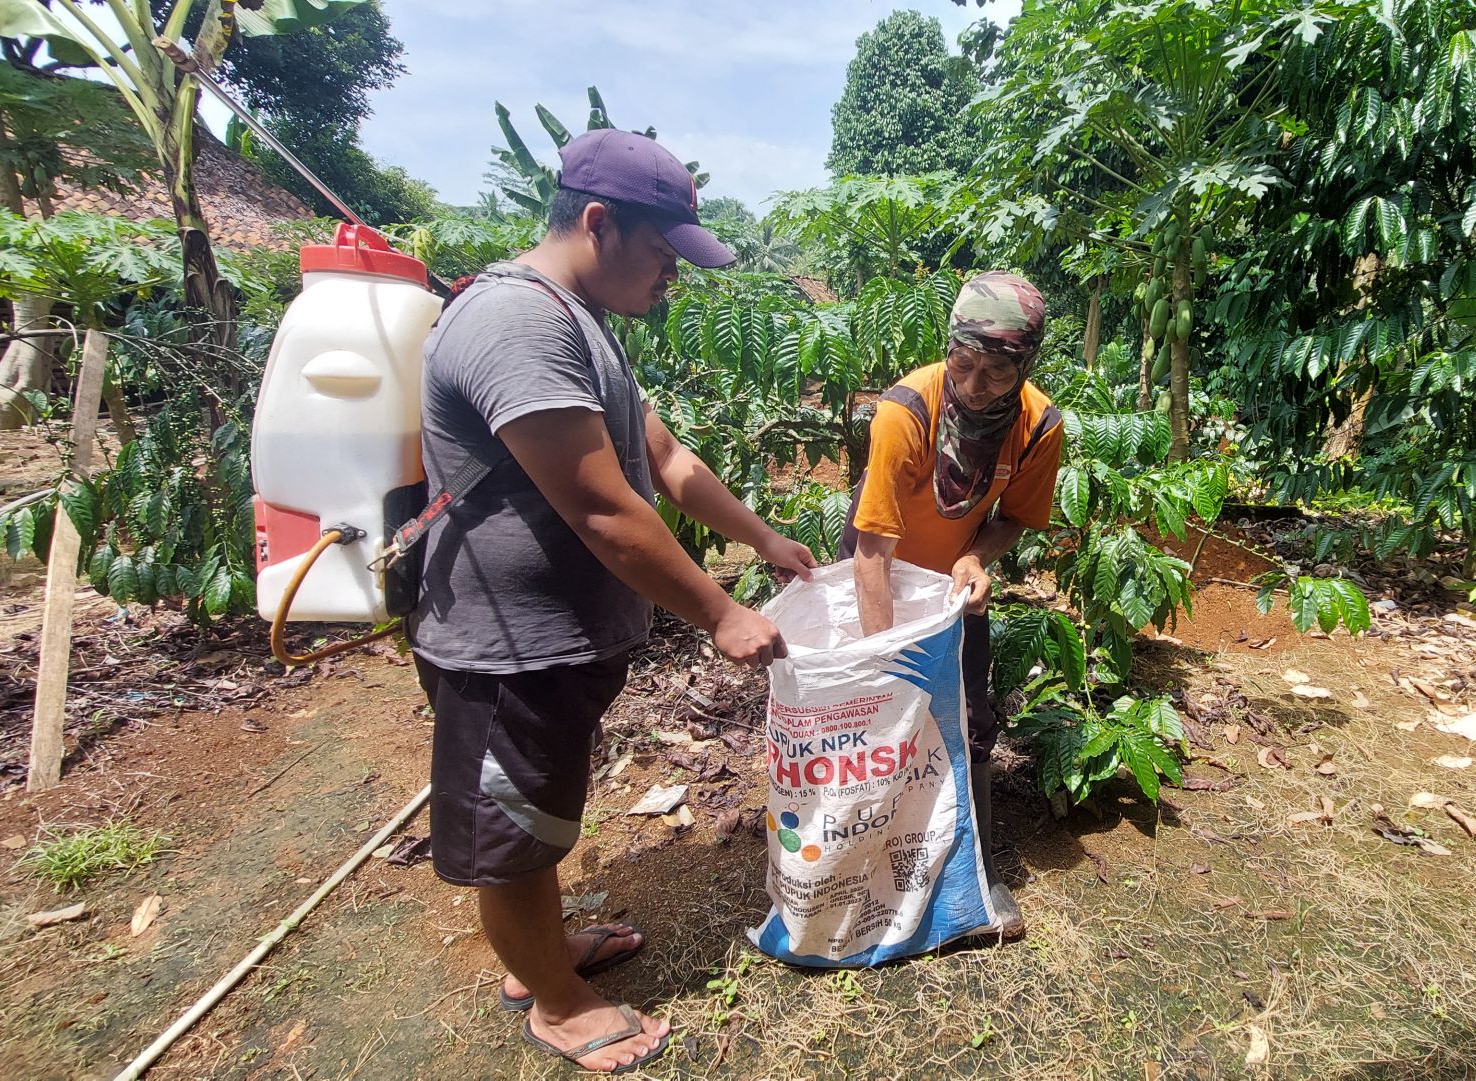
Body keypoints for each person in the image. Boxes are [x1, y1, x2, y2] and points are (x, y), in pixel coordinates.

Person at [410, 129, 816, 1074]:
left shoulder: (577, 320)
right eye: (664, 253)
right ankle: (552, 998)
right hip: (502, 650)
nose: (672, 275)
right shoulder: (517, 324)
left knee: (544, 809)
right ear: (599, 223)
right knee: (512, 831)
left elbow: (663, 459)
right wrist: (722, 612)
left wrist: (761, 537)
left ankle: (545, 947)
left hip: (555, 646)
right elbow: (602, 507)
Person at [843, 271, 1063, 940]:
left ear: (1025, 366)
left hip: (951, 582)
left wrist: (975, 557)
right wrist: (889, 664)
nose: (972, 386)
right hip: (881, 569)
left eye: (996, 374)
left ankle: (972, 869)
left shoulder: (1037, 427)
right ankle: (868, 858)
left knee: (968, 720)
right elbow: (872, 553)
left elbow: (1014, 519)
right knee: (875, 723)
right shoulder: (906, 410)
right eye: (963, 364)